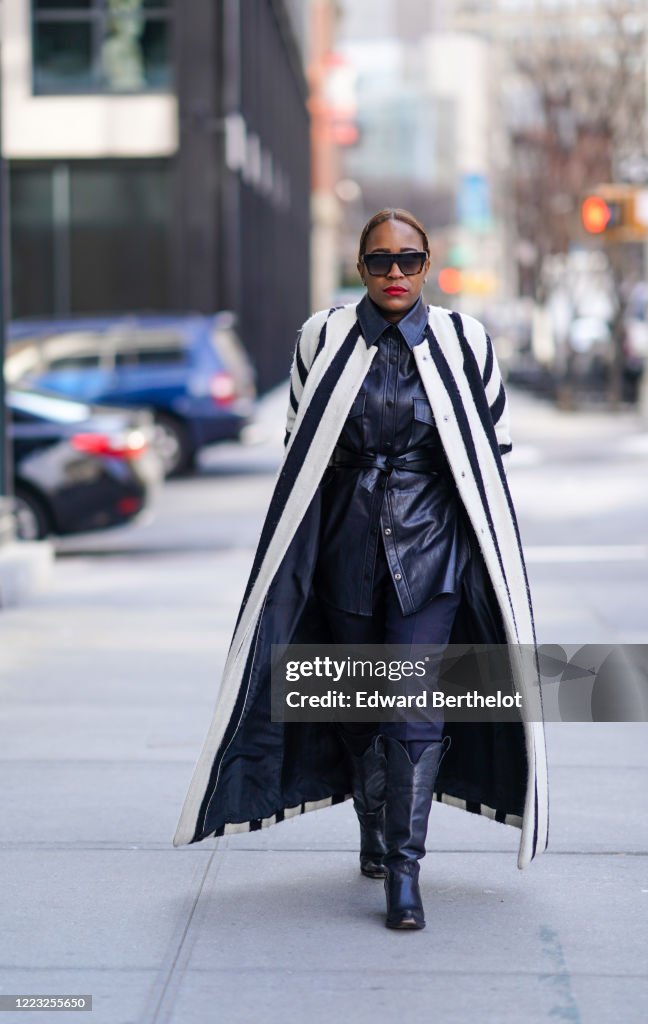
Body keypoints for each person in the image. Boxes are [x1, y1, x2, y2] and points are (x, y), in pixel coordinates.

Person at [173, 208, 549, 932]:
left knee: (412, 705)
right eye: (380, 262)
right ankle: (373, 827)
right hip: (343, 546)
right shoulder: (321, 336)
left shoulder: (464, 340)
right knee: (348, 704)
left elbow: (488, 447)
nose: (396, 274)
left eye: (408, 261)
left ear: (428, 262)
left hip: (431, 550)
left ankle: (405, 871)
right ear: (359, 267)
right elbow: (299, 442)